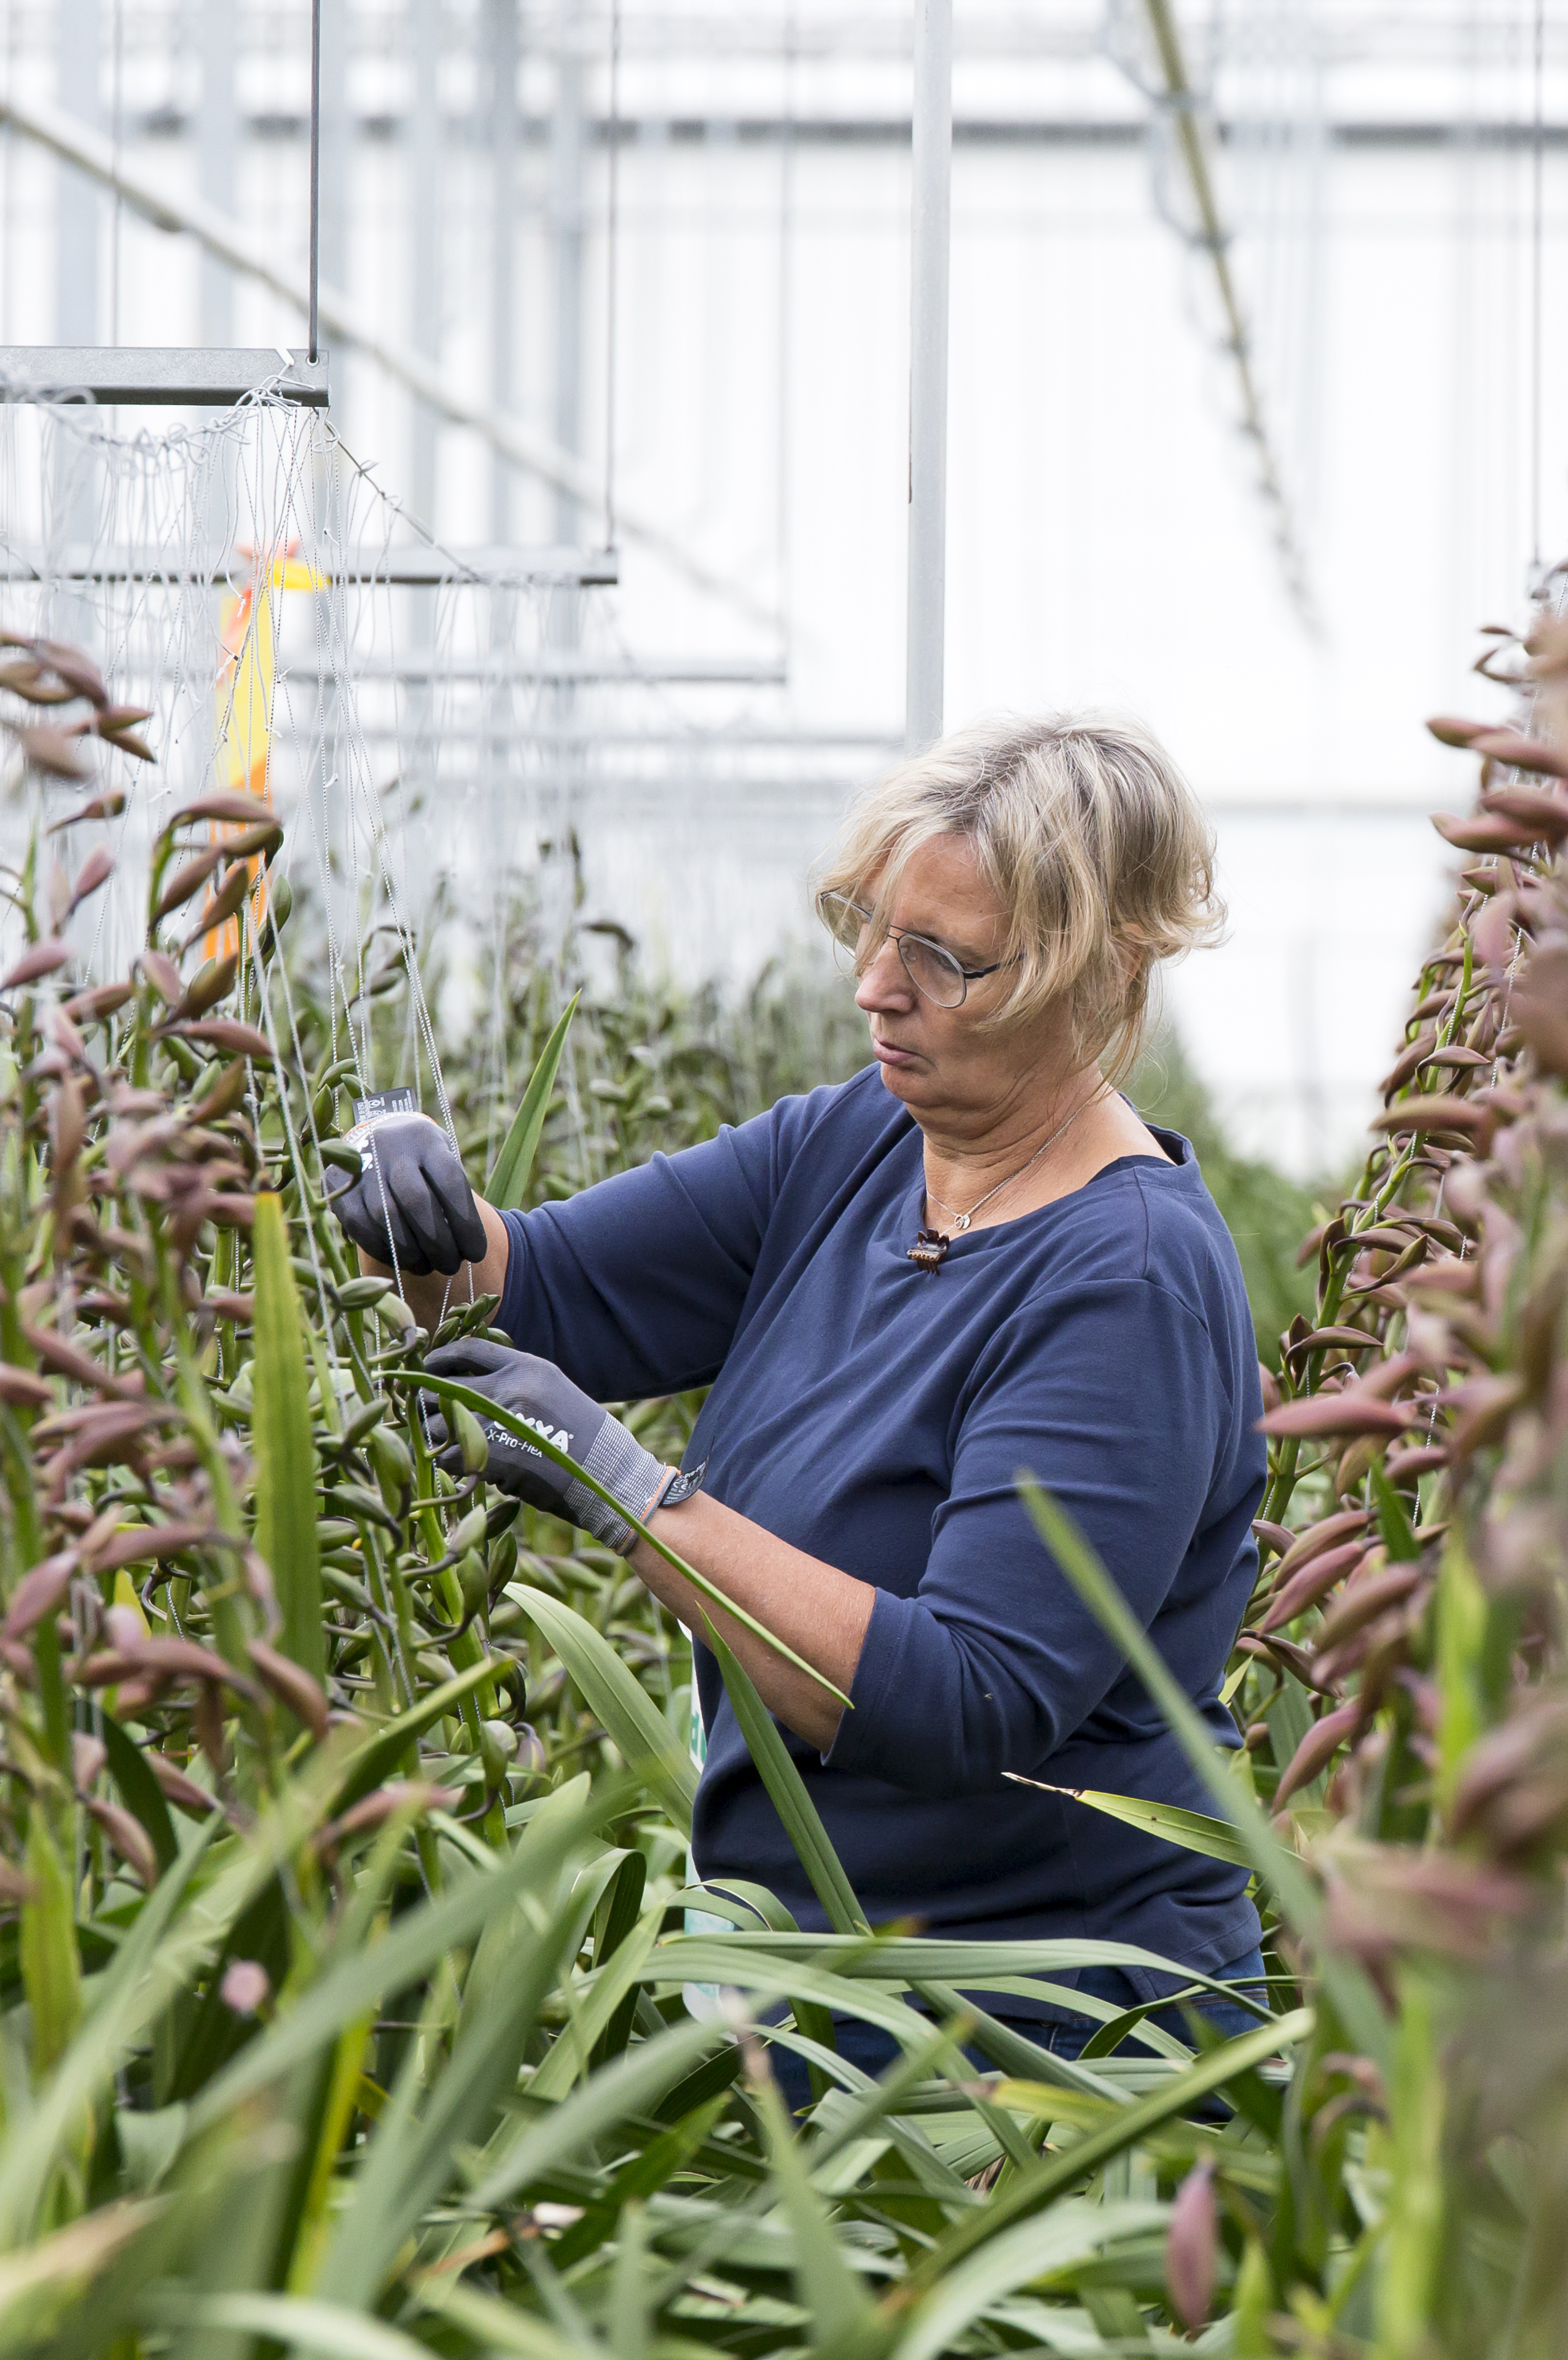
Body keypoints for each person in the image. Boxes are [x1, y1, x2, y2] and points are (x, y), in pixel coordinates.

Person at [328, 713, 1266, 2080]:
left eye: (945, 959)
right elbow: (534, 1293)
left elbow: (966, 1697)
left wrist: (630, 1494)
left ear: (1094, 973)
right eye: (874, 930)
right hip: (811, 2003)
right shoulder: (852, 1151)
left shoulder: (1125, 1283)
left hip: (1045, 2060)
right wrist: (401, 1183)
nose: (878, 988)